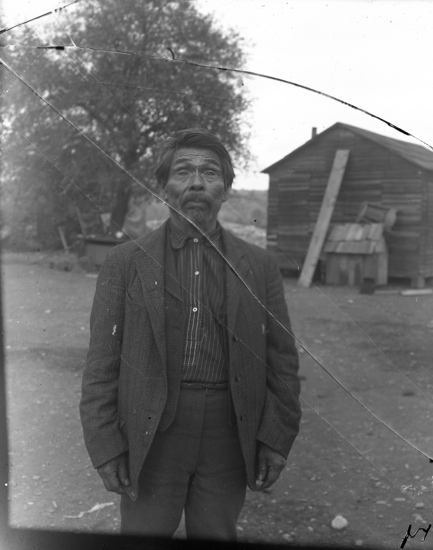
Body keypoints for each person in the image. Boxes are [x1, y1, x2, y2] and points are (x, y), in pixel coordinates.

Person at [79, 128, 302, 540]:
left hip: (229, 432)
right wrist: (106, 445)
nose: (197, 183)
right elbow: (101, 364)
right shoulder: (125, 262)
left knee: (216, 533)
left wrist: (275, 437)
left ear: (226, 189)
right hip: (154, 431)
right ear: (163, 187)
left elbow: (283, 360)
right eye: (183, 172)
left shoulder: (260, 265)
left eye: (210, 173)